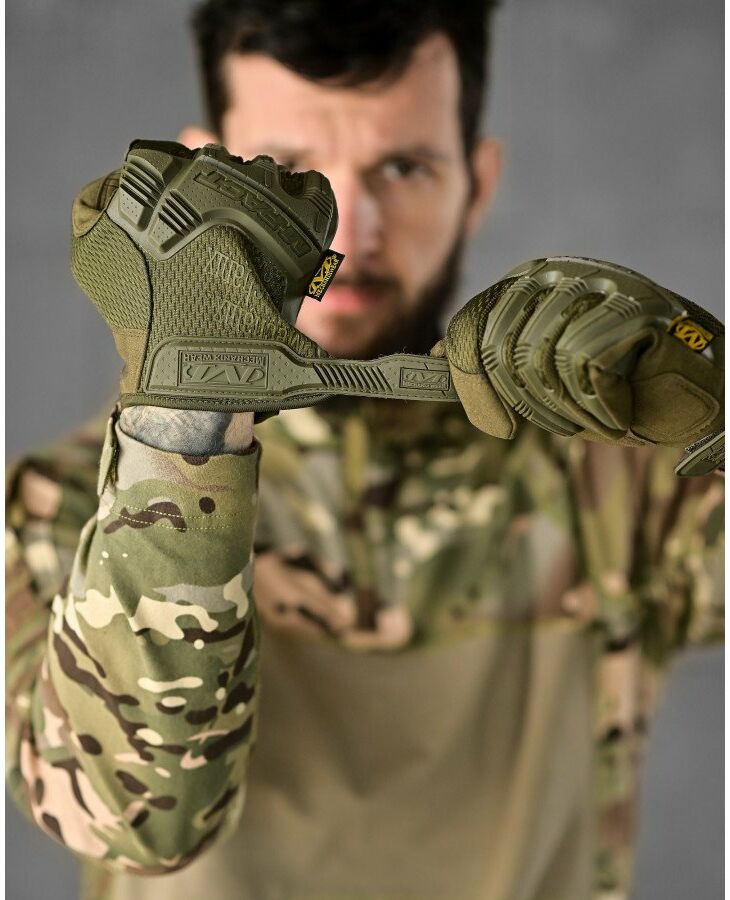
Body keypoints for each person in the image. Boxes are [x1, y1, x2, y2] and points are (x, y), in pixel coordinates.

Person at [5, 2, 723, 900]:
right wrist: (184, 432)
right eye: (289, 169)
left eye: (403, 167)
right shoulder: (67, 504)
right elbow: (129, 821)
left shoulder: (626, 481)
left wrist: (716, 384)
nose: (351, 232)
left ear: (478, 183)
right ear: (205, 167)